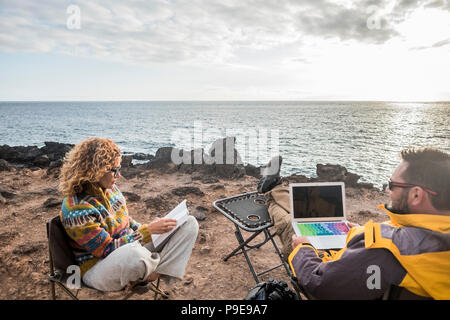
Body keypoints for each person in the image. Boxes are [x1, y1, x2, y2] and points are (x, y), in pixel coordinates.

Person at [259, 148, 450, 299]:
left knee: (291, 223)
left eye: (392, 185)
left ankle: (269, 192)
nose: (386, 191)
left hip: (325, 269)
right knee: (304, 214)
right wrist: (359, 232)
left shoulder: (385, 252)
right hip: (356, 263)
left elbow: (320, 284)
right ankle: (276, 187)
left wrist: (303, 248)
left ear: (416, 194)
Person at [58, 137, 198, 292]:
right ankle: (147, 270)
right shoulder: (76, 209)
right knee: (135, 255)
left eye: (119, 169)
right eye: (114, 170)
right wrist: (147, 232)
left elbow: (127, 222)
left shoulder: (111, 190)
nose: (118, 175)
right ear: (96, 170)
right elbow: (106, 249)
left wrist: (151, 228)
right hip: (98, 267)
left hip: (130, 248)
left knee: (188, 223)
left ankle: (153, 274)